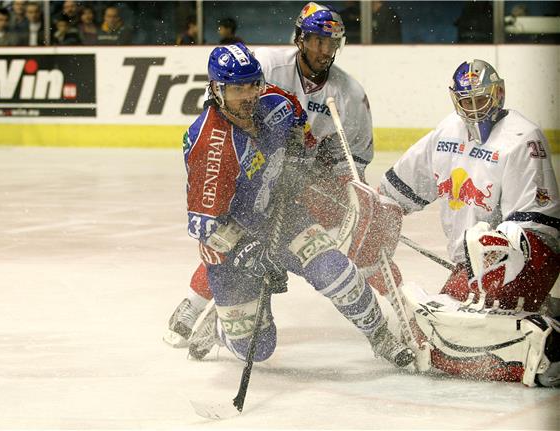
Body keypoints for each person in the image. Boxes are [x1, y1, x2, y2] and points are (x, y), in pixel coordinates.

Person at [165, 2, 392, 357]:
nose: (248, 97)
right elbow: (207, 233)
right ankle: (210, 314)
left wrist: (304, 156)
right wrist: (247, 255)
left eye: (252, 86)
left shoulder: (279, 100)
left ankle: (382, 335)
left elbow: (307, 128)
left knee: (333, 268)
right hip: (238, 231)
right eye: (237, 90)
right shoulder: (213, 148)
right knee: (258, 349)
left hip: (286, 202)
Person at [379, 59, 559, 386]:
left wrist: (488, 264)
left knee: (466, 336)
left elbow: (535, 226)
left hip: (529, 256)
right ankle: (541, 315)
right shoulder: (447, 133)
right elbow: (395, 191)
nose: (473, 110)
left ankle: (549, 352)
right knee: (434, 336)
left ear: (498, 94)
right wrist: (375, 210)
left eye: (480, 100)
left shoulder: (522, 138)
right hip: (475, 266)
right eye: (466, 101)